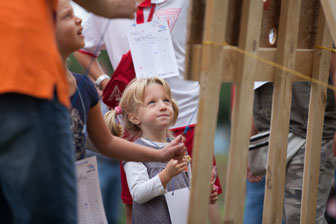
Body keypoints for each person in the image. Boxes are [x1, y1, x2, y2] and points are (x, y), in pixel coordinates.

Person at [74, 0, 223, 222]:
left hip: (187, 114)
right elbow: (82, 44)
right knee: (137, 200)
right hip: (137, 123)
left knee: (203, 196)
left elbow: (215, 40)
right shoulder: (110, 5)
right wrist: (104, 80)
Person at [0, 0, 137, 222]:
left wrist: (157, 152)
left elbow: (104, 142)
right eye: (65, 16)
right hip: (26, 83)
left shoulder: (84, 88)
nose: (78, 20)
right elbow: (104, 144)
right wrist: (113, 7)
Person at [104, 77, 218, 223]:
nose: (163, 106)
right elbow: (138, 194)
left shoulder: (178, 147)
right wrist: (166, 175)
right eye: (152, 102)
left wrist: (203, 195)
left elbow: (188, 187)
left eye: (166, 100)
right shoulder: (134, 153)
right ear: (134, 117)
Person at [243, 51, 336, 223]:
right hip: (271, 135)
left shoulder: (319, 23)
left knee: (301, 217)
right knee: (287, 216)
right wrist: (251, 144)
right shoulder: (263, 28)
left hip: (309, 134)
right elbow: (257, 88)